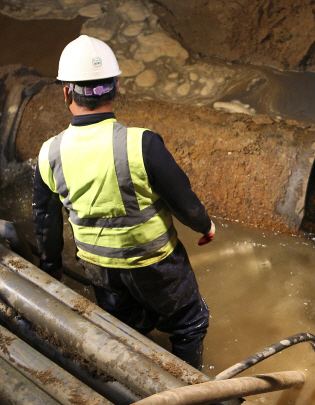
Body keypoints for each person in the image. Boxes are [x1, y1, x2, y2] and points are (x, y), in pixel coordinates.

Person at [32, 35, 213, 368]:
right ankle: (190, 393)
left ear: (66, 91)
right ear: (116, 87)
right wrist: (206, 226)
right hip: (156, 263)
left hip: (99, 268)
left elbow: (46, 220)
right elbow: (183, 201)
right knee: (189, 324)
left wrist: (50, 266)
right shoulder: (142, 144)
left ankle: (137, 381)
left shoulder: (49, 153)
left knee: (127, 327)